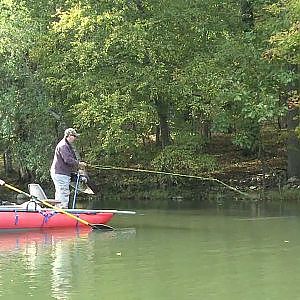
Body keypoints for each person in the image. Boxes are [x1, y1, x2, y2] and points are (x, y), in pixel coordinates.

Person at [50, 128, 86, 208]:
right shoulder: (63, 146)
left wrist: (77, 168)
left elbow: (69, 161)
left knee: (60, 192)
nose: (75, 138)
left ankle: (59, 209)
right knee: (63, 192)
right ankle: (62, 210)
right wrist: (79, 164)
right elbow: (68, 160)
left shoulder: (66, 145)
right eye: (74, 136)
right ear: (69, 136)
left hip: (60, 172)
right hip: (60, 173)